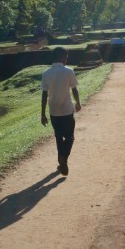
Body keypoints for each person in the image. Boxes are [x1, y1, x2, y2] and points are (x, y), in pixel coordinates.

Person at [41, 47, 81, 176]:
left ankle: (61, 161)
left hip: (54, 111)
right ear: (63, 57)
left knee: (58, 136)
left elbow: (44, 94)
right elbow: (74, 89)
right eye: (66, 56)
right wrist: (78, 102)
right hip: (67, 109)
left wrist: (42, 113)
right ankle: (63, 158)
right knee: (69, 137)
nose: (67, 58)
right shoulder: (68, 71)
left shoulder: (46, 73)